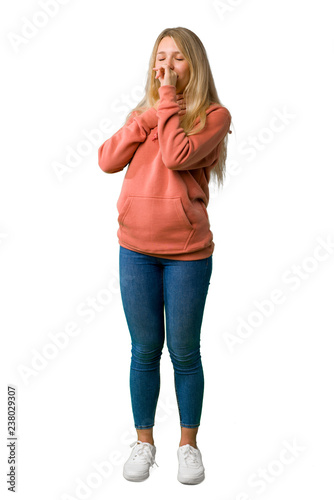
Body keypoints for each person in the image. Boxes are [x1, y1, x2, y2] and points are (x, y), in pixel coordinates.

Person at [98, 26, 232, 485]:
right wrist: (146, 116)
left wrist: (168, 103)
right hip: (134, 250)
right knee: (143, 351)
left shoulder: (213, 115)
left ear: (193, 64)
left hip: (187, 255)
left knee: (184, 352)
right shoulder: (148, 112)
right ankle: (144, 441)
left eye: (177, 58)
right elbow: (106, 160)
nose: (166, 66)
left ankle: (188, 447)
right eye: (161, 58)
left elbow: (176, 157)